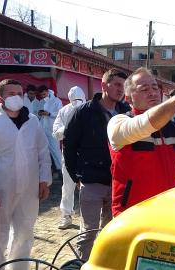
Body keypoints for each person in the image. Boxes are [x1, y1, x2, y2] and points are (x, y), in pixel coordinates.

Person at [107, 68, 175, 217]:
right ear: (128, 98)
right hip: (132, 214)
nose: (153, 92)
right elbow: (145, 124)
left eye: (155, 88)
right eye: (144, 89)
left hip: (172, 210)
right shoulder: (119, 122)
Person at [63, 69, 130, 260]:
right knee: (88, 232)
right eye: (117, 84)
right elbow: (69, 146)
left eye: (123, 86)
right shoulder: (84, 112)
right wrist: (76, 175)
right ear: (104, 85)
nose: (121, 89)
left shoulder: (126, 113)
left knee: (111, 231)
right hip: (92, 180)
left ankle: (104, 263)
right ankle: (83, 264)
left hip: (118, 183)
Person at [0, 79, 51, 270]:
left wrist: (44, 180)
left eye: (19, 94)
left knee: (25, 232)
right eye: (11, 94)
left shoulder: (33, 121)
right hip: (1, 187)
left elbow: (43, 151)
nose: (17, 98)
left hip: (29, 188)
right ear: (0, 98)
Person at [52, 86, 86, 230]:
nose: (77, 102)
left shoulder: (91, 109)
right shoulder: (64, 111)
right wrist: (69, 128)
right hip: (69, 154)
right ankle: (66, 215)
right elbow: (55, 133)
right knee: (68, 186)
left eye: (80, 99)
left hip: (87, 155)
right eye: (75, 99)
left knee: (89, 188)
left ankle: (87, 218)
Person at [37, 85, 63, 174]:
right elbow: (36, 113)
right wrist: (40, 114)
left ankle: (61, 170)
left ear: (48, 91)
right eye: (41, 95)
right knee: (43, 150)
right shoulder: (40, 102)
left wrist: (49, 114)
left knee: (55, 150)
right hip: (43, 128)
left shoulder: (56, 101)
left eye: (44, 94)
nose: (43, 96)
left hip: (52, 129)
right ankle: (48, 170)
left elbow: (60, 114)